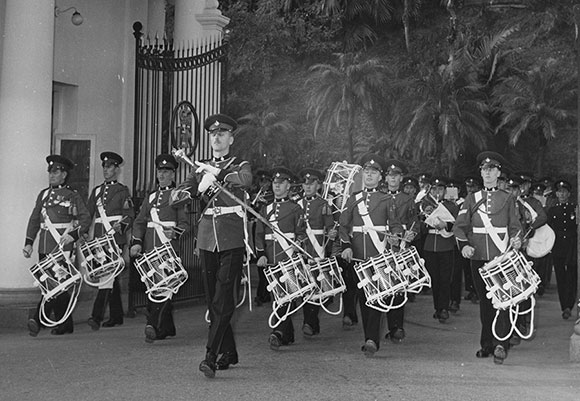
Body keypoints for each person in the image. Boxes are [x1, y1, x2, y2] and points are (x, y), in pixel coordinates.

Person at [176, 113, 252, 378]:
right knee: (213, 300)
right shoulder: (199, 167)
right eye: (212, 134)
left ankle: (211, 355)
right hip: (207, 238)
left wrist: (218, 173)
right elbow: (179, 196)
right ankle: (229, 352)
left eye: (221, 134)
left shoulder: (239, 163)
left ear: (231, 138)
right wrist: (194, 189)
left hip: (231, 238)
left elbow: (245, 180)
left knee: (222, 297)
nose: (216, 138)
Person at [453, 151, 522, 365]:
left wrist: (517, 240)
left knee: (504, 300)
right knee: (485, 303)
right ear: (481, 173)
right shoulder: (471, 199)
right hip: (479, 258)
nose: (488, 173)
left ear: (498, 173)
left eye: (492, 169)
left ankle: (501, 344)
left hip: (501, 259)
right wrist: (464, 245)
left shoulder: (508, 198)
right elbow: (459, 226)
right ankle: (487, 344)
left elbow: (515, 226)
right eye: (485, 169)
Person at [340, 154, 403, 357]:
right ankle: (370, 336)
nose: (369, 175)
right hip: (357, 256)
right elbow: (343, 225)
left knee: (375, 298)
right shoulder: (353, 198)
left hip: (379, 257)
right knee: (363, 299)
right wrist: (346, 246)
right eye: (366, 172)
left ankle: (371, 339)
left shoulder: (387, 199)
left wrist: (396, 237)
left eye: (373, 172)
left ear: (380, 177)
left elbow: (394, 225)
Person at [24, 155, 91, 336]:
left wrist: (74, 236)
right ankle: (65, 324)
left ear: (64, 175)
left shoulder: (72, 195)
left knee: (54, 285)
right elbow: (34, 220)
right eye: (50, 172)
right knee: (53, 285)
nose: (52, 175)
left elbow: (85, 218)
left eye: (56, 172)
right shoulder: (43, 194)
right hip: (45, 247)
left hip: (62, 247)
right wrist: (29, 242)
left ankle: (37, 320)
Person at [130, 154, 189, 343]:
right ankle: (167, 327)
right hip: (150, 250)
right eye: (159, 171)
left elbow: (186, 223)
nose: (162, 175)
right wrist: (137, 241)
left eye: (166, 171)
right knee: (153, 287)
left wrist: (176, 233)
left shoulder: (177, 195)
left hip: (167, 250)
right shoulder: (151, 197)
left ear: (173, 175)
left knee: (164, 288)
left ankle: (153, 325)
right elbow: (139, 221)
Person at [255, 167, 306, 351]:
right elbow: (259, 234)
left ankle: (277, 332)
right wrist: (260, 254)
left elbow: (301, 234)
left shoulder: (295, 208)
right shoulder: (265, 208)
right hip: (270, 258)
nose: (277, 186)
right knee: (277, 296)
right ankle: (287, 333)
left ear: (288, 185)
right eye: (275, 183)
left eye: (281, 183)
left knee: (285, 296)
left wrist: (296, 248)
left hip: (288, 257)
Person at [86, 152, 134, 330]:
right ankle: (116, 315)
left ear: (116, 169)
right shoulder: (97, 191)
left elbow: (129, 215)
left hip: (115, 238)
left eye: (110, 167)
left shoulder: (122, 191)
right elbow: (88, 214)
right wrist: (83, 232)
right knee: (110, 275)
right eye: (104, 167)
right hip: (99, 239)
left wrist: (121, 226)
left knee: (106, 275)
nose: (106, 170)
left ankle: (96, 316)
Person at [505, 175, 547, 345]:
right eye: (509, 188)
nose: (512, 191)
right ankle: (510, 327)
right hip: (507, 252)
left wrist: (530, 228)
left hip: (524, 252)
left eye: (515, 188)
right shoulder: (503, 204)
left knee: (525, 290)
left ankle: (523, 323)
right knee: (509, 289)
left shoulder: (528, 203)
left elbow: (542, 217)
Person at [382, 159, 419, 343]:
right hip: (382, 243)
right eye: (389, 175)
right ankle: (389, 325)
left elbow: (415, 221)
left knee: (400, 286)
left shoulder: (408, 199)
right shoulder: (379, 197)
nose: (392, 179)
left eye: (395, 176)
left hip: (402, 245)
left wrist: (412, 233)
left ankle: (397, 327)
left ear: (401, 178)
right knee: (385, 285)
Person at [297, 168, 336, 337]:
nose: (307, 187)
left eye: (311, 184)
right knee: (305, 285)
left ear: (318, 185)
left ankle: (310, 322)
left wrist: (331, 233)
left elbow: (329, 226)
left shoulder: (323, 204)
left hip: (318, 248)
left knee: (315, 284)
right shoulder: (297, 204)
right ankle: (310, 322)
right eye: (305, 184)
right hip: (301, 248)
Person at [420, 176, 458, 323]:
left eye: (440, 189)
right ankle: (438, 307)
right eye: (435, 189)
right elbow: (420, 225)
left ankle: (444, 308)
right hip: (430, 244)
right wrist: (427, 223)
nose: (437, 192)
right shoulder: (425, 204)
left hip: (445, 244)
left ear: (445, 191)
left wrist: (445, 225)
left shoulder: (451, 206)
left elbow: (456, 224)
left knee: (445, 278)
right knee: (434, 278)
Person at [548, 180, 577, 320]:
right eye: (559, 191)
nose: (562, 194)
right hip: (558, 246)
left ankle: (570, 304)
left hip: (572, 246)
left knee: (572, 275)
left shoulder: (575, 208)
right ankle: (564, 306)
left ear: (569, 194)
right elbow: (548, 229)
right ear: (556, 193)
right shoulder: (552, 210)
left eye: (564, 191)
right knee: (561, 276)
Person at [251, 168, 274, 306]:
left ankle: (263, 293)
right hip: (256, 228)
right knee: (260, 262)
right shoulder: (255, 195)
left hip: (268, 231)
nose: (263, 184)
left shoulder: (271, 196)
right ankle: (263, 293)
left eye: (266, 182)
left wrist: (263, 202)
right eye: (262, 182)